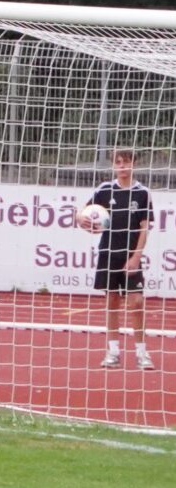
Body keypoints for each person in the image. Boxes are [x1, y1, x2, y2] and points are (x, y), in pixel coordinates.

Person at [77, 149, 154, 370]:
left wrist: (136, 257)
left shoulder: (143, 193)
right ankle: (113, 352)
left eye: (126, 162)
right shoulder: (104, 190)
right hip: (108, 254)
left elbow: (144, 228)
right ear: (114, 166)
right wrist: (82, 221)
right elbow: (82, 213)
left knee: (137, 302)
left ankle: (142, 353)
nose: (122, 166)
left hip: (131, 256)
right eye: (118, 162)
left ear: (134, 164)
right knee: (112, 302)